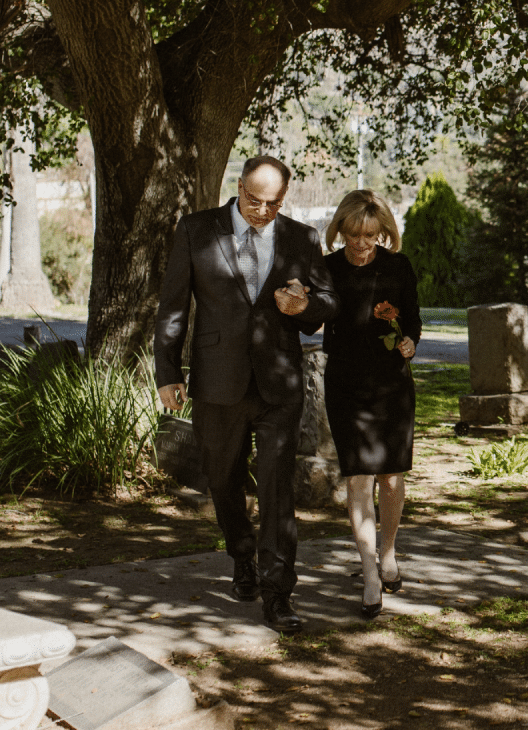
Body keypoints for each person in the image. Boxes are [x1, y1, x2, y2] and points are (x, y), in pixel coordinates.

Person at [154, 155, 338, 634]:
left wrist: (304, 306)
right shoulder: (196, 230)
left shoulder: (302, 237)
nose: (262, 211)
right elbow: (173, 306)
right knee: (223, 480)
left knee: (278, 491)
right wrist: (167, 372)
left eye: (273, 204)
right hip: (218, 381)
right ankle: (242, 556)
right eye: (254, 200)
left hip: (279, 384)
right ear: (239, 187)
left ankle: (279, 594)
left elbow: (327, 304)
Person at [318, 188, 422, 618]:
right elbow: (311, 315)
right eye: (354, 235)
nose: (361, 244)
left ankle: (389, 552)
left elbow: (413, 316)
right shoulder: (325, 269)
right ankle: (368, 574)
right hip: (346, 384)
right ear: (340, 230)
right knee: (359, 480)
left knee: (392, 478)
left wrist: (410, 341)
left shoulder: (398, 266)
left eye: (370, 235)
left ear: (383, 233)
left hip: (392, 384)